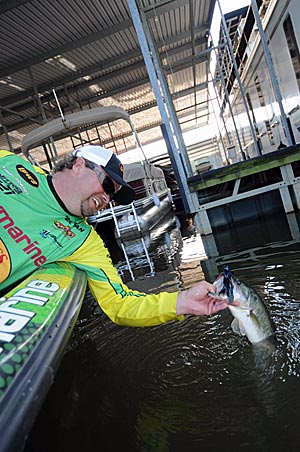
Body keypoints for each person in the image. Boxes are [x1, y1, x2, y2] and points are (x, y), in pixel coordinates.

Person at [0, 145, 235, 327]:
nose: (107, 200)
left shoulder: (84, 241)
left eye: (113, 198)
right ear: (79, 164)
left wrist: (182, 302)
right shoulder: (8, 163)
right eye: (108, 187)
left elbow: (120, 303)